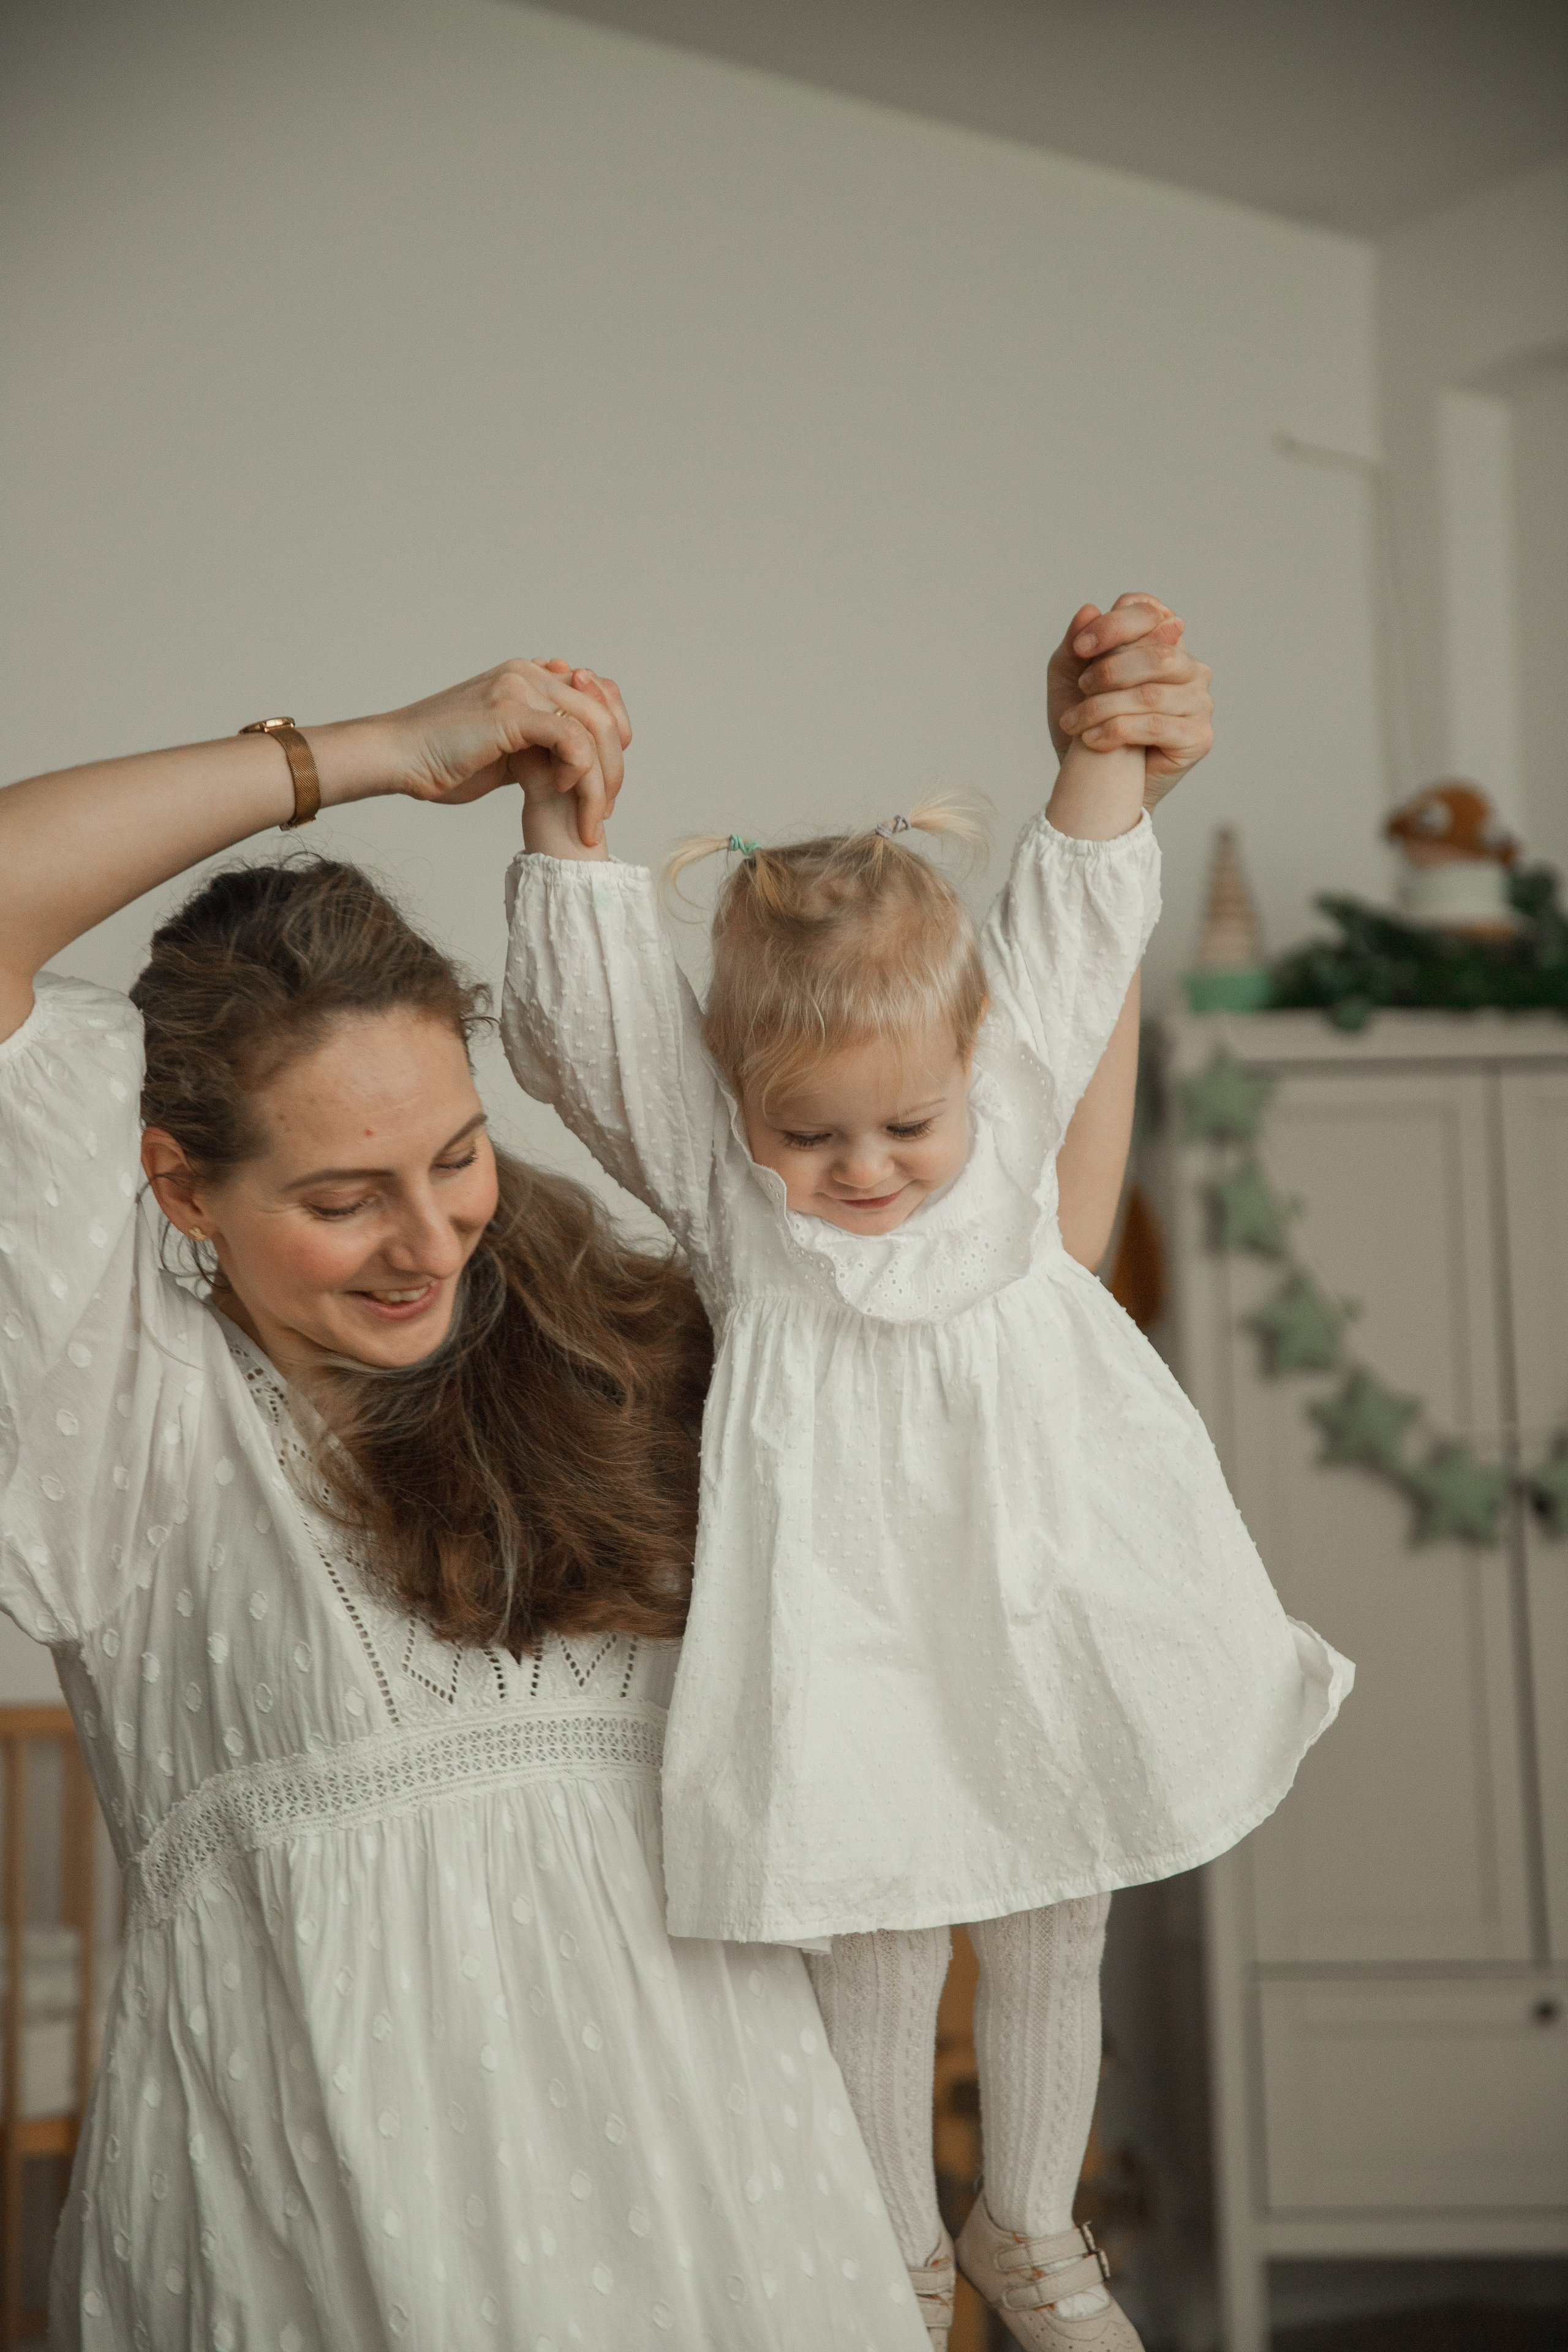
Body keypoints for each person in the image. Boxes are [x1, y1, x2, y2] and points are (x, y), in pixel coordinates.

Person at [0, 607, 1207, 2349]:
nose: (427, 1239)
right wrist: (355, 756)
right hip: (336, 2211)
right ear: (182, 1191)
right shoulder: (115, 1406)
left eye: (458, 1155)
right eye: (344, 1198)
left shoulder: (627, 1347)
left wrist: (1114, 804)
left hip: (744, 2190)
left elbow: (1021, 1274)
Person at [501, 597, 1353, 2350]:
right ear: (738, 1110)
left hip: (1043, 1570)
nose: (864, 1168)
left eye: (907, 1126)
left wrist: (1099, 746)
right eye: (808, 1135)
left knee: (1060, 1886)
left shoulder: (1019, 1075)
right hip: (849, 1613)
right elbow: (591, 1033)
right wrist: (560, 842)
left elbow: (1079, 899)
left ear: (974, 1067)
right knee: (872, 1925)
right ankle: (891, 2254)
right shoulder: (732, 1189)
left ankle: (1029, 2224)